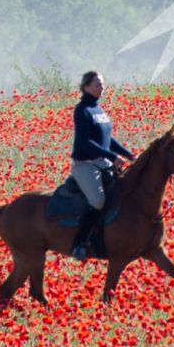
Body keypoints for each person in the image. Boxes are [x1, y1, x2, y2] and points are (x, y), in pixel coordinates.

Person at [69, 70, 136, 261]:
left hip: (103, 162)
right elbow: (85, 142)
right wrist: (112, 156)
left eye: (102, 84)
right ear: (86, 87)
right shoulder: (82, 110)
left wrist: (128, 154)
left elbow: (108, 139)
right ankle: (79, 243)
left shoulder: (99, 110)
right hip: (86, 164)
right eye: (97, 84)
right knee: (97, 200)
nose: (102, 87)